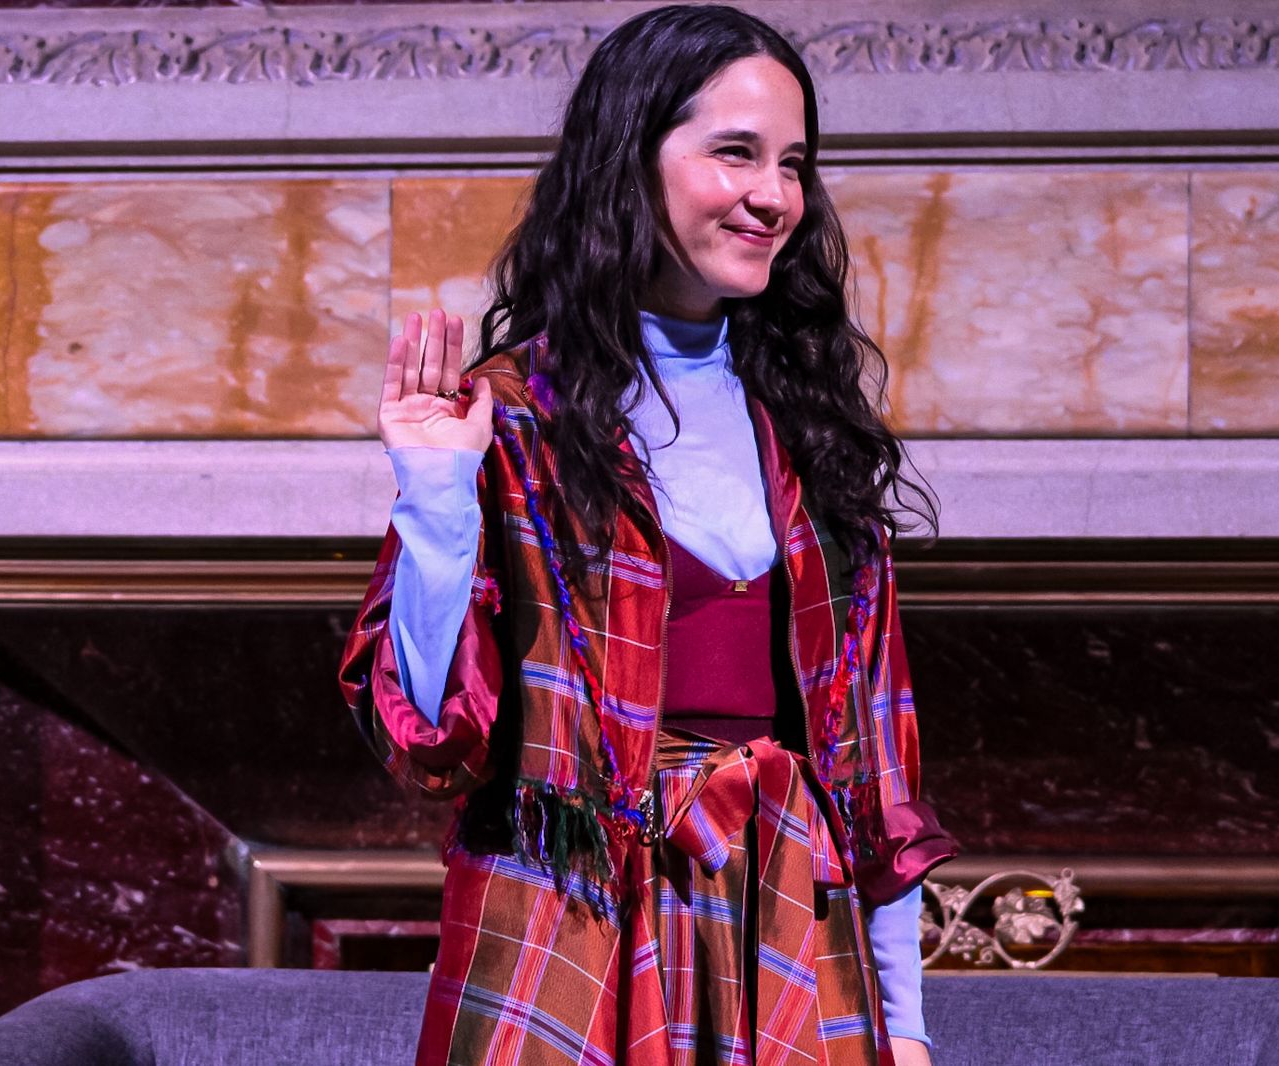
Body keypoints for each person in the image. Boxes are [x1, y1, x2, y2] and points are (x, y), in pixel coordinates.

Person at [338, 6, 959, 1064]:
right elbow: (429, 740)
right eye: (735, 152)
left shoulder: (813, 432)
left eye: (792, 164)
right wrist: (437, 498)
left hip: (788, 921)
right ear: (632, 158)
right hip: (568, 926)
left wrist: (902, 1027)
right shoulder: (509, 418)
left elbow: (875, 778)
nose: (773, 196)